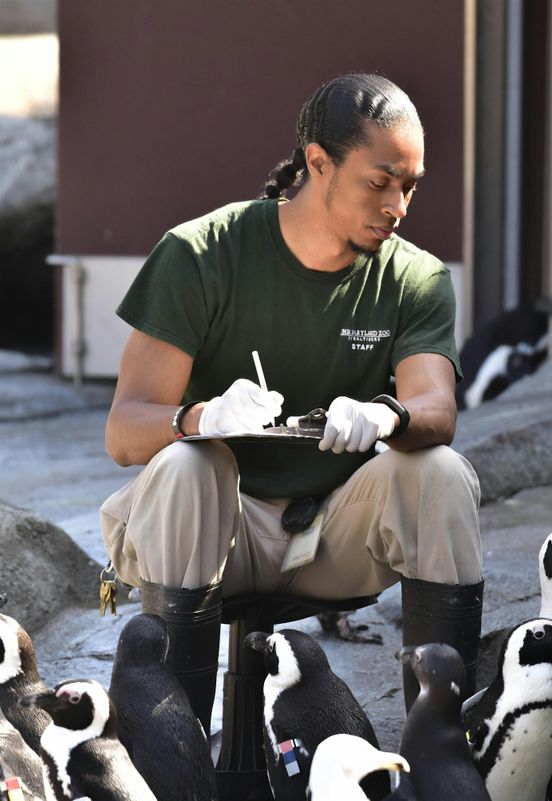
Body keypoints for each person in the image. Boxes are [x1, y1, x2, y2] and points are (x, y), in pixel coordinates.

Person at [100, 73, 483, 728]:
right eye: (380, 180)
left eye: (410, 185)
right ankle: (174, 752)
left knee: (441, 473)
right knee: (189, 463)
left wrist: (386, 415)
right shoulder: (200, 254)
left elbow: (437, 409)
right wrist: (200, 419)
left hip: (336, 533)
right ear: (317, 163)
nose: (399, 205)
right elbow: (124, 432)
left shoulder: (414, 276)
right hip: (216, 532)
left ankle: (439, 752)